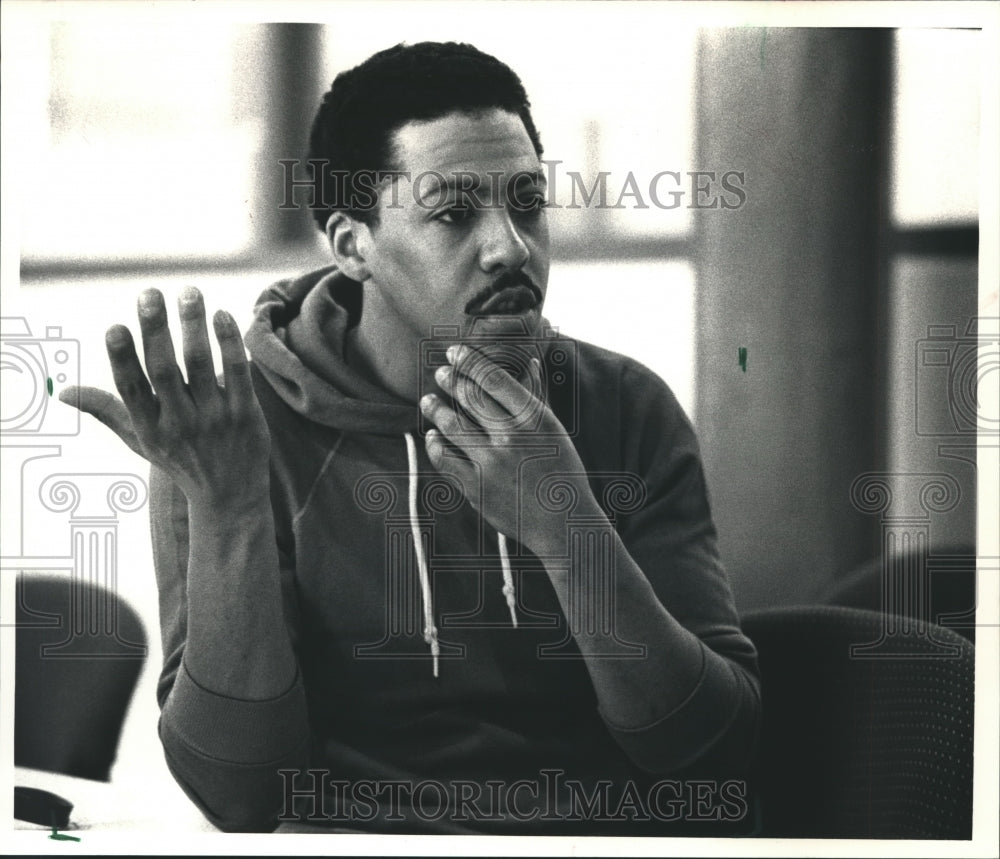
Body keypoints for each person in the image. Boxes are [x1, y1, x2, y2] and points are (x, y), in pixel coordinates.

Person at [62, 41, 760, 835]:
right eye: (454, 213)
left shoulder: (625, 406)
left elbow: (713, 752)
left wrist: (568, 528)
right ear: (351, 244)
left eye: (527, 201)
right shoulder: (231, 434)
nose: (511, 247)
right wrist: (228, 512)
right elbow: (239, 795)